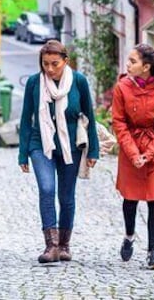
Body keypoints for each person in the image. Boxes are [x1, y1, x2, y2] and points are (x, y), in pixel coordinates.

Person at [18, 39, 99, 263]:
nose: (50, 69)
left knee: (66, 196)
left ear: (66, 61)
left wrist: (93, 151)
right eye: (45, 64)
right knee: (46, 188)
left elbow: (89, 117)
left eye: (55, 63)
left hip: (70, 146)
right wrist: (22, 153)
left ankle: (64, 245)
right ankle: (51, 246)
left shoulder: (79, 82)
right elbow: (26, 119)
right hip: (40, 143)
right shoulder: (35, 83)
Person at [111, 43, 154, 270]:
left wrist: (149, 153)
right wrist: (132, 152)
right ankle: (129, 236)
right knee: (130, 198)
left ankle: (152, 252)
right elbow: (119, 122)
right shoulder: (122, 87)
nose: (127, 65)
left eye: (132, 61)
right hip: (131, 146)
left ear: (146, 66)